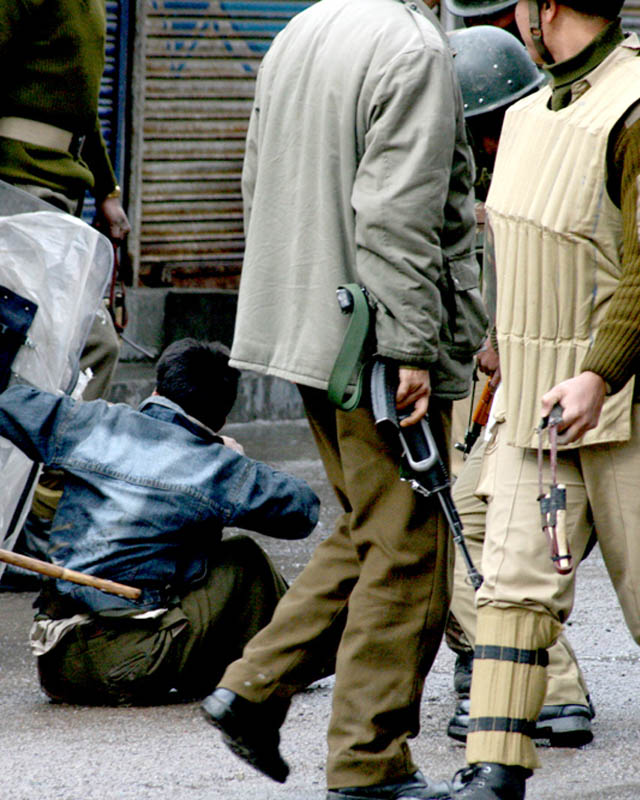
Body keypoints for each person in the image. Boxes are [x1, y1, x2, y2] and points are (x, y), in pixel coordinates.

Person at [197, 0, 482, 797]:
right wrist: (412, 348)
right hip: (373, 337)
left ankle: (251, 690)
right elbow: (400, 213)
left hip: (307, 324)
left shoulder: (304, 27)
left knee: (372, 524)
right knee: (407, 553)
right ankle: (369, 763)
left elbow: (256, 178)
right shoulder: (414, 47)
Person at [451, 2, 640, 799]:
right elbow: (535, 252)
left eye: (516, 9)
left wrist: (598, 373)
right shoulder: (537, 106)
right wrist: (504, 347)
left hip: (636, 407)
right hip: (535, 412)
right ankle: (492, 780)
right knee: (510, 592)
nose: (510, 23)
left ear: (547, 9)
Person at [0, 339, 319, 706]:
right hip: (129, 665)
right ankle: (302, 660)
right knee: (244, 559)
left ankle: (267, 663)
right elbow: (303, 511)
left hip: (57, 664)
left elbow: (7, 405)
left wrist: (87, 418)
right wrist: (232, 457)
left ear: (157, 389)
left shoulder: (93, 424)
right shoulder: (214, 467)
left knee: (193, 567)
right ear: (221, 416)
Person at [441, 24, 595, 749]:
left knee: (489, 543)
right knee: (484, 537)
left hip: (560, 391)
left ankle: (544, 688)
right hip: (524, 388)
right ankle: (514, 680)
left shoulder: (547, 163)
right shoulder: (510, 171)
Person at [0, 0, 132, 590]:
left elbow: (76, 105)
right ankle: (35, 519)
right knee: (89, 346)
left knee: (35, 363)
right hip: (9, 189)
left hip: (55, 194)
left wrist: (106, 188)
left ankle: (25, 518)